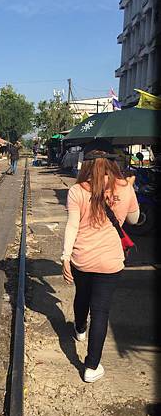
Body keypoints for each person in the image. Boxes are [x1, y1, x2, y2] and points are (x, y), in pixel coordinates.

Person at [61, 140, 140, 383]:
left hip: (81, 258)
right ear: (112, 162)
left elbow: (72, 226)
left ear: (85, 164)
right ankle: (91, 367)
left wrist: (65, 257)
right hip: (110, 261)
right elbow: (134, 220)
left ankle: (80, 330)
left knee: (82, 296)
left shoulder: (77, 191)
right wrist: (129, 190)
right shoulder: (125, 188)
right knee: (101, 311)